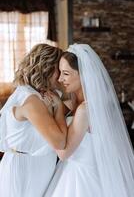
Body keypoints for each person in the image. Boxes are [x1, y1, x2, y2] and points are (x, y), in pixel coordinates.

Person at [44, 43, 134, 197]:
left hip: (81, 180)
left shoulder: (85, 110)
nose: (60, 78)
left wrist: (55, 111)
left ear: (83, 74)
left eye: (66, 73)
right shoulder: (74, 104)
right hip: (69, 172)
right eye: (60, 72)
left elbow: (63, 154)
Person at [0, 43, 68, 197]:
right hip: (26, 171)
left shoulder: (40, 95)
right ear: (48, 69)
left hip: (37, 167)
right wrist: (58, 107)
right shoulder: (31, 100)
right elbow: (59, 142)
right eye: (60, 70)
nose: (62, 76)